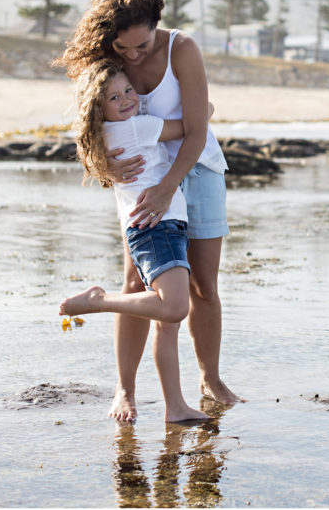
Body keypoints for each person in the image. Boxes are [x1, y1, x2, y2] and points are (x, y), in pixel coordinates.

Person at [54, 0, 238, 422]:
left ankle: (209, 379)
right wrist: (103, 167)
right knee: (136, 284)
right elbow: (87, 128)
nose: (133, 55)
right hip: (140, 183)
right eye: (124, 48)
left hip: (197, 171)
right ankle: (125, 390)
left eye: (142, 45)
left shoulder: (183, 49)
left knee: (203, 287)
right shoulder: (105, 59)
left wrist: (168, 186)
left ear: (158, 23)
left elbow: (197, 131)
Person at [60, 60, 209, 422]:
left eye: (128, 90)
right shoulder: (138, 128)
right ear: (100, 108)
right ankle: (98, 301)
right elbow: (197, 120)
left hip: (156, 225)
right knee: (174, 307)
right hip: (156, 226)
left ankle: (175, 406)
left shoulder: (108, 135)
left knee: (168, 322)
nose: (127, 99)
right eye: (115, 97)